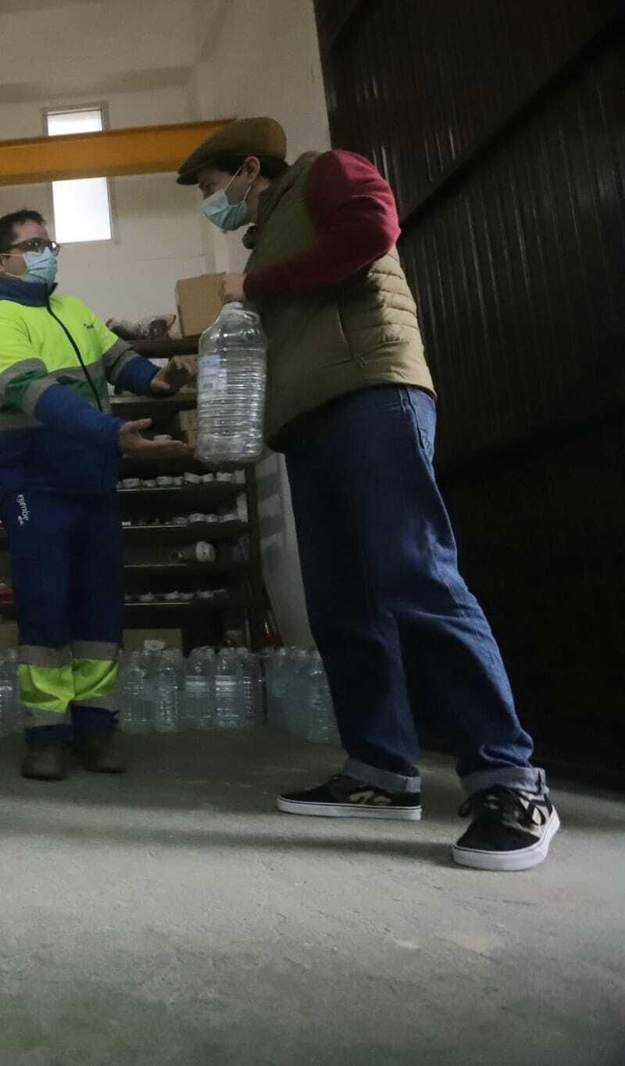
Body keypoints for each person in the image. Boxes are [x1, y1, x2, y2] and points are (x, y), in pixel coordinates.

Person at [176, 117, 558, 871]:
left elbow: (372, 230)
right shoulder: (264, 240)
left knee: (415, 573)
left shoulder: (325, 173)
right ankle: (381, 771)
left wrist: (252, 287)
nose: (214, 205)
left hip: (372, 397)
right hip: (308, 424)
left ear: (251, 167)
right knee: (343, 603)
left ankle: (509, 778)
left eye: (215, 188)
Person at [0, 209, 191, 782]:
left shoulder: (74, 310)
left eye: (51, 243)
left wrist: (160, 380)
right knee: (45, 606)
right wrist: (111, 432)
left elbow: (118, 360)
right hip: (35, 487)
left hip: (93, 482)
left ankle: (96, 727)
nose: (49, 252)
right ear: (2, 261)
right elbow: (40, 396)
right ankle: (46, 734)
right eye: (35, 244)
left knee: (98, 606)